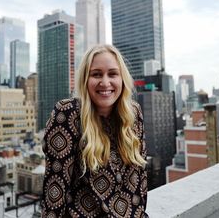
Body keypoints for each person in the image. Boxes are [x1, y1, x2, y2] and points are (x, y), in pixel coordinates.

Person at [41, 44, 148, 217]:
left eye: (112, 74)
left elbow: (140, 183)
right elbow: (55, 191)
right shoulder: (67, 113)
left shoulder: (133, 113)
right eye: (96, 74)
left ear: (122, 79)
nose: (105, 82)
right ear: (85, 79)